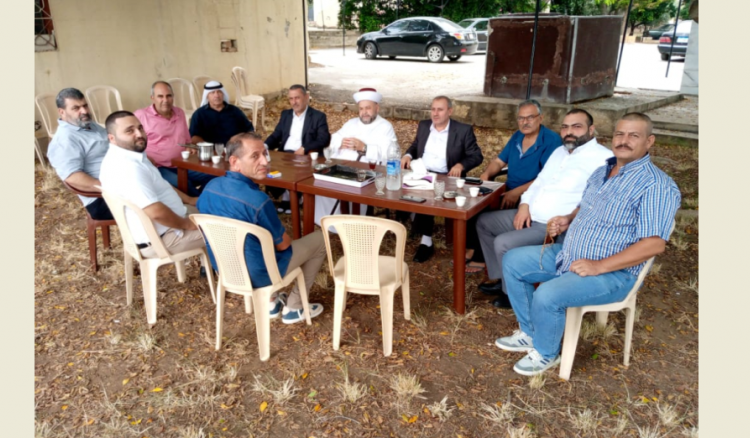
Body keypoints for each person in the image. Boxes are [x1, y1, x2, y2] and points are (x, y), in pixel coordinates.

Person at [494, 113, 681, 376]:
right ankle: (531, 332)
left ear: (649, 141)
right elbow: (585, 206)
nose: (624, 140)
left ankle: (546, 353)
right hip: (570, 254)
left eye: (633, 135)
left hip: (613, 272)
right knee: (513, 260)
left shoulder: (656, 185)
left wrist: (599, 266)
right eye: (619, 134)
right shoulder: (603, 170)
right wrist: (568, 219)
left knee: (546, 294)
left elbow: (654, 245)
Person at [476, 109, 613, 308]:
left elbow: (597, 201)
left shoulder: (603, 158)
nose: (569, 132)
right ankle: (503, 279)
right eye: (565, 127)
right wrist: (524, 205)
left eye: (576, 126)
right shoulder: (560, 152)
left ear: (591, 130)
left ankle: (511, 295)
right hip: (530, 214)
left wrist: (568, 219)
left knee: (503, 242)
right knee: (484, 222)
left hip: (552, 225)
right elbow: (539, 182)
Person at [197, 133, 325, 324]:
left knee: (258, 244)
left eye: (265, 154)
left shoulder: (210, 187)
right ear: (235, 162)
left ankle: (272, 302)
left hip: (225, 269)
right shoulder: (258, 201)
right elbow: (283, 245)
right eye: (255, 156)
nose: (265, 161)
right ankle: (295, 307)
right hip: (260, 275)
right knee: (320, 240)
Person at [463, 100, 562, 271]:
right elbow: (499, 162)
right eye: (521, 118)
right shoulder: (518, 136)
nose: (525, 122)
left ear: (540, 118)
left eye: (530, 117)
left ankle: (481, 257)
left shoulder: (551, 141)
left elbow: (547, 178)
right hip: (508, 189)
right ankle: (476, 250)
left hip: (533, 196)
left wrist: (516, 192)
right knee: (473, 205)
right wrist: (486, 175)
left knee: (485, 214)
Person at [99, 111, 204, 260]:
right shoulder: (129, 168)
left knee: (214, 209)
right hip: (161, 238)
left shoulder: (130, 156)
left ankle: (208, 267)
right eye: (129, 131)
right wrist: (187, 224)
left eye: (140, 128)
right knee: (229, 230)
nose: (139, 134)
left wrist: (189, 199)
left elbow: (161, 185)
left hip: (168, 225)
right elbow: (156, 213)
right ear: (112, 138)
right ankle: (228, 272)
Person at [400, 95, 484, 263]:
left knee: (429, 194)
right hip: (423, 172)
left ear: (449, 111)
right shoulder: (424, 126)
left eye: (440, 109)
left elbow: (476, 156)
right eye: (433, 109)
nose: (435, 113)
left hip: (447, 177)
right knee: (400, 188)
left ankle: (425, 242)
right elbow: (416, 145)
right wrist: (408, 154)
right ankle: (413, 230)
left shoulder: (462, 130)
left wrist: (461, 165)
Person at [313, 88, 399, 227]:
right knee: (323, 185)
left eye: (368, 108)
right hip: (342, 168)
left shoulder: (385, 127)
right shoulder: (351, 123)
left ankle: (350, 228)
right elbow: (334, 138)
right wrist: (340, 142)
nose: (364, 112)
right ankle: (325, 223)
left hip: (367, 172)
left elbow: (390, 154)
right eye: (361, 108)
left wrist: (364, 148)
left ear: (377, 108)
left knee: (352, 188)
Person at [134, 81, 216, 197]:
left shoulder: (179, 113)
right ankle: (200, 201)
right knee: (185, 184)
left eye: (169, 96)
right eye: (160, 96)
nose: (165, 100)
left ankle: (202, 197)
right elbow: (131, 143)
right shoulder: (141, 115)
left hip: (183, 163)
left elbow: (187, 140)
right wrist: (144, 157)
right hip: (159, 167)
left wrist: (190, 148)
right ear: (152, 98)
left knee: (214, 174)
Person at [46, 87, 112, 220]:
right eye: (76, 108)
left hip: (121, 184)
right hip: (102, 199)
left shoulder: (88, 125)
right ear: (62, 112)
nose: (84, 111)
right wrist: (111, 188)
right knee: (153, 206)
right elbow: (73, 178)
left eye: (85, 106)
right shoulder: (64, 140)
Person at [264, 84, 331, 213]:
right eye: (291, 98)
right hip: (284, 154)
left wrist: (305, 148)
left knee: (292, 166)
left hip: (304, 155)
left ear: (306, 97)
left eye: (297, 98)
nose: (294, 102)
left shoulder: (318, 116)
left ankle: (291, 197)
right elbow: (276, 135)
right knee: (266, 164)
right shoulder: (286, 114)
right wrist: (265, 146)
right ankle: (285, 195)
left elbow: (323, 139)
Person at [189, 81, 254, 145]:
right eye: (212, 92)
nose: (216, 95)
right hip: (210, 150)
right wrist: (208, 147)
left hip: (235, 148)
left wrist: (241, 141)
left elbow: (249, 130)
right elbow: (194, 136)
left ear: (223, 94)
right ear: (207, 96)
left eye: (219, 92)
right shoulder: (199, 114)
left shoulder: (235, 110)